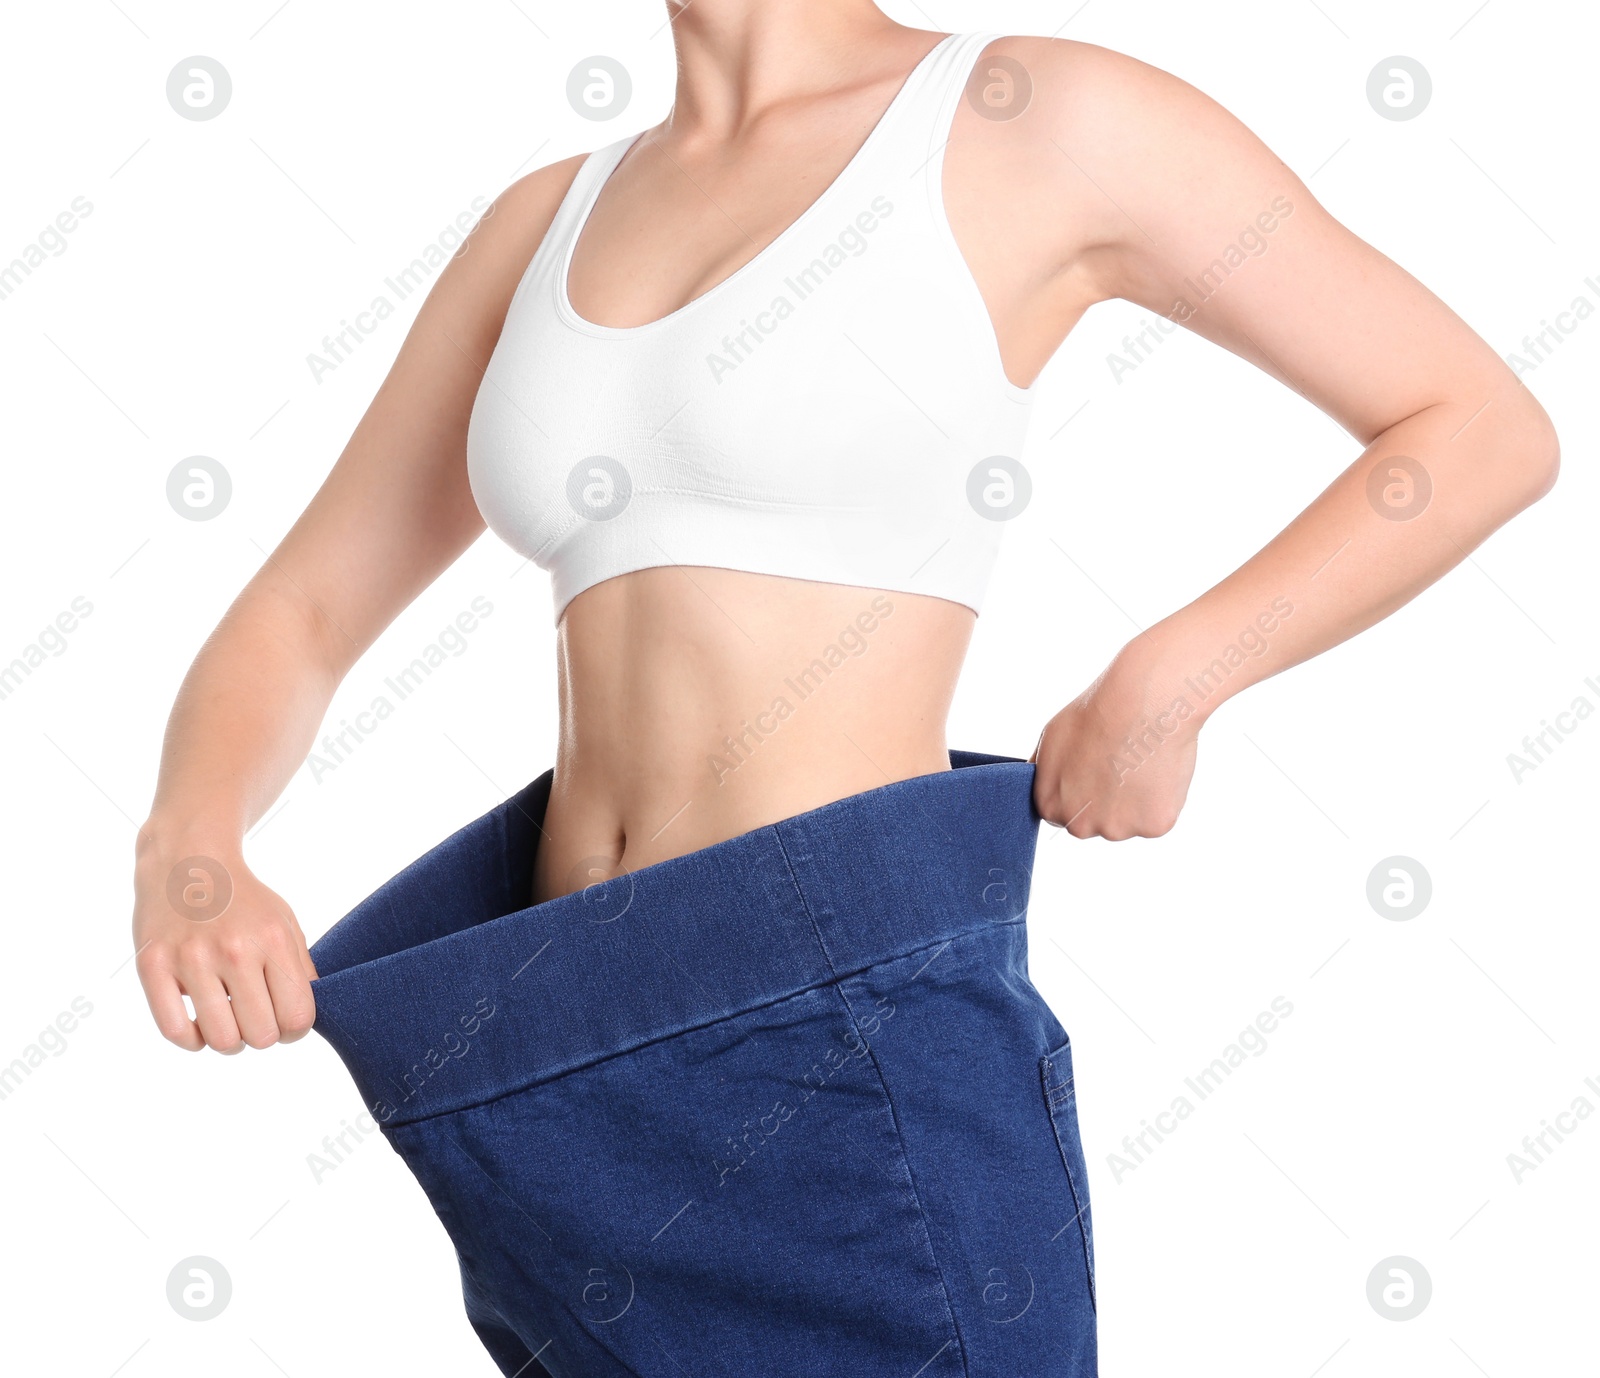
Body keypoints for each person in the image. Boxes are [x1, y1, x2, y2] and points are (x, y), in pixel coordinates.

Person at [131, 4, 1559, 1373]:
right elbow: (303, 608)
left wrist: (1175, 675)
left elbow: (1475, 424)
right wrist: (190, 840)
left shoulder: (1032, 119)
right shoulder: (543, 222)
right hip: (565, 1073)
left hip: (850, 1057)